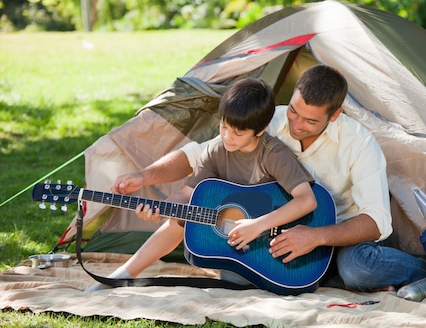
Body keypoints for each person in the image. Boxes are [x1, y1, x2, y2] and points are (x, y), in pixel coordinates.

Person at [182, 65, 426, 293]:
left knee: (357, 269)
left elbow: (378, 222)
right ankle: (338, 281)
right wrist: (148, 178)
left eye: (311, 120)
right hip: (277, 231)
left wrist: (317, 237)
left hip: (342, 238)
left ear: (335, 115)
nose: (297, 125)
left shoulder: (360, 143)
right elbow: (206, 151)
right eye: (293, 110)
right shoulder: (269, 120)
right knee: (235, 276)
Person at [85, 78, 317, 291]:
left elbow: (307, 200)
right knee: (183, 217)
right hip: (234, 240)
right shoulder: (217, 150)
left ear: (261, 129)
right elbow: (187, 194)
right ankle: (120, 276)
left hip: (268, 247)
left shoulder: (273, 153)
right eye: (224, 127)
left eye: (238, 132)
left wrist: (257, 225)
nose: (227, 137)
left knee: (235, 279)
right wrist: (162, 208)